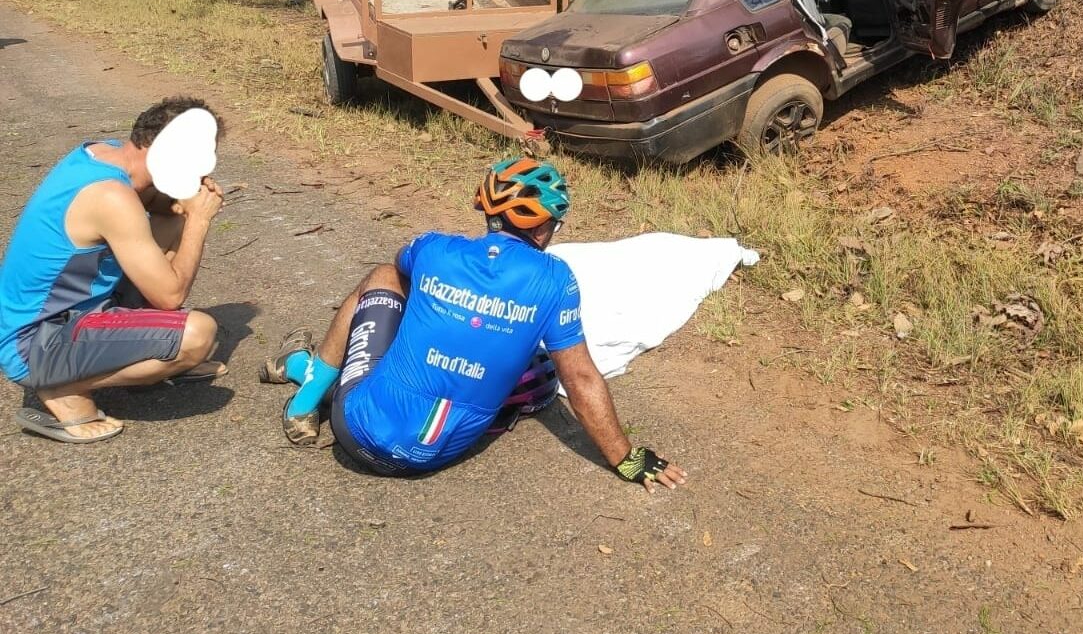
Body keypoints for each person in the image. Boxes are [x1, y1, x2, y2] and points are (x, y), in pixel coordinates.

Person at [262, 157, 688, 488]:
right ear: (542, 230)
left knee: (382, 277)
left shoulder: (432, 248)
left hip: (357, 434)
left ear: (487, 211)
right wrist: (627, 458)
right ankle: (300, 376)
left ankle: (303, 394)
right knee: (534, 370)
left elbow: (398, 274)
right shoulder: (556, 280)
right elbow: (579, 379)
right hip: (437, 455)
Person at [0, 98, 227, 443]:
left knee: (171, 217)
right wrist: (199, 218)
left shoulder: (104, 155)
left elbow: (153, 203)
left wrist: (182, 199)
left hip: (57, 318)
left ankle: (143, 353)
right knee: (196, 336)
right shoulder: (111, 197)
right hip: (34, 343)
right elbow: (170, 296)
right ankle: (64, 388)